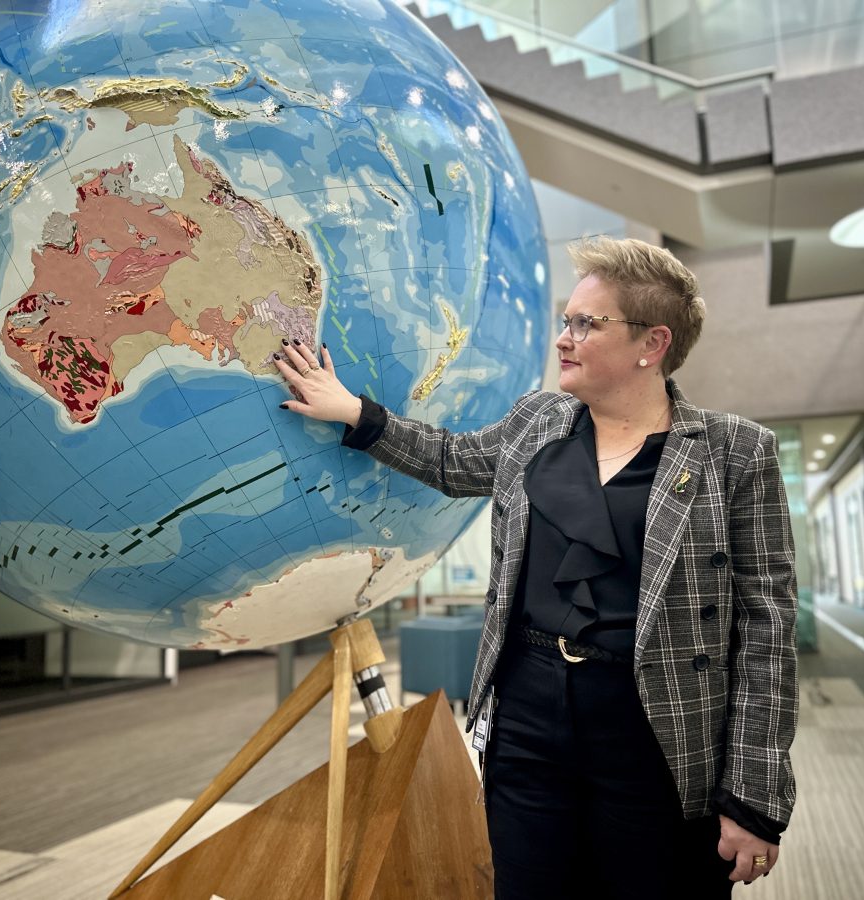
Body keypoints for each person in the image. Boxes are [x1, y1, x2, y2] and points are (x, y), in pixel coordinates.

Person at [273, 236, 798, 899]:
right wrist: (354, 412)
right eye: (564, 321)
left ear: (652, 344)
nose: (563, 339)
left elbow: (767, 631)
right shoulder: (536, 421)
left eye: (586, 323)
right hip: (528, 714)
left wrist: (754, 796)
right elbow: (450, 460)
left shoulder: (735, 452)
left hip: (655, 731)